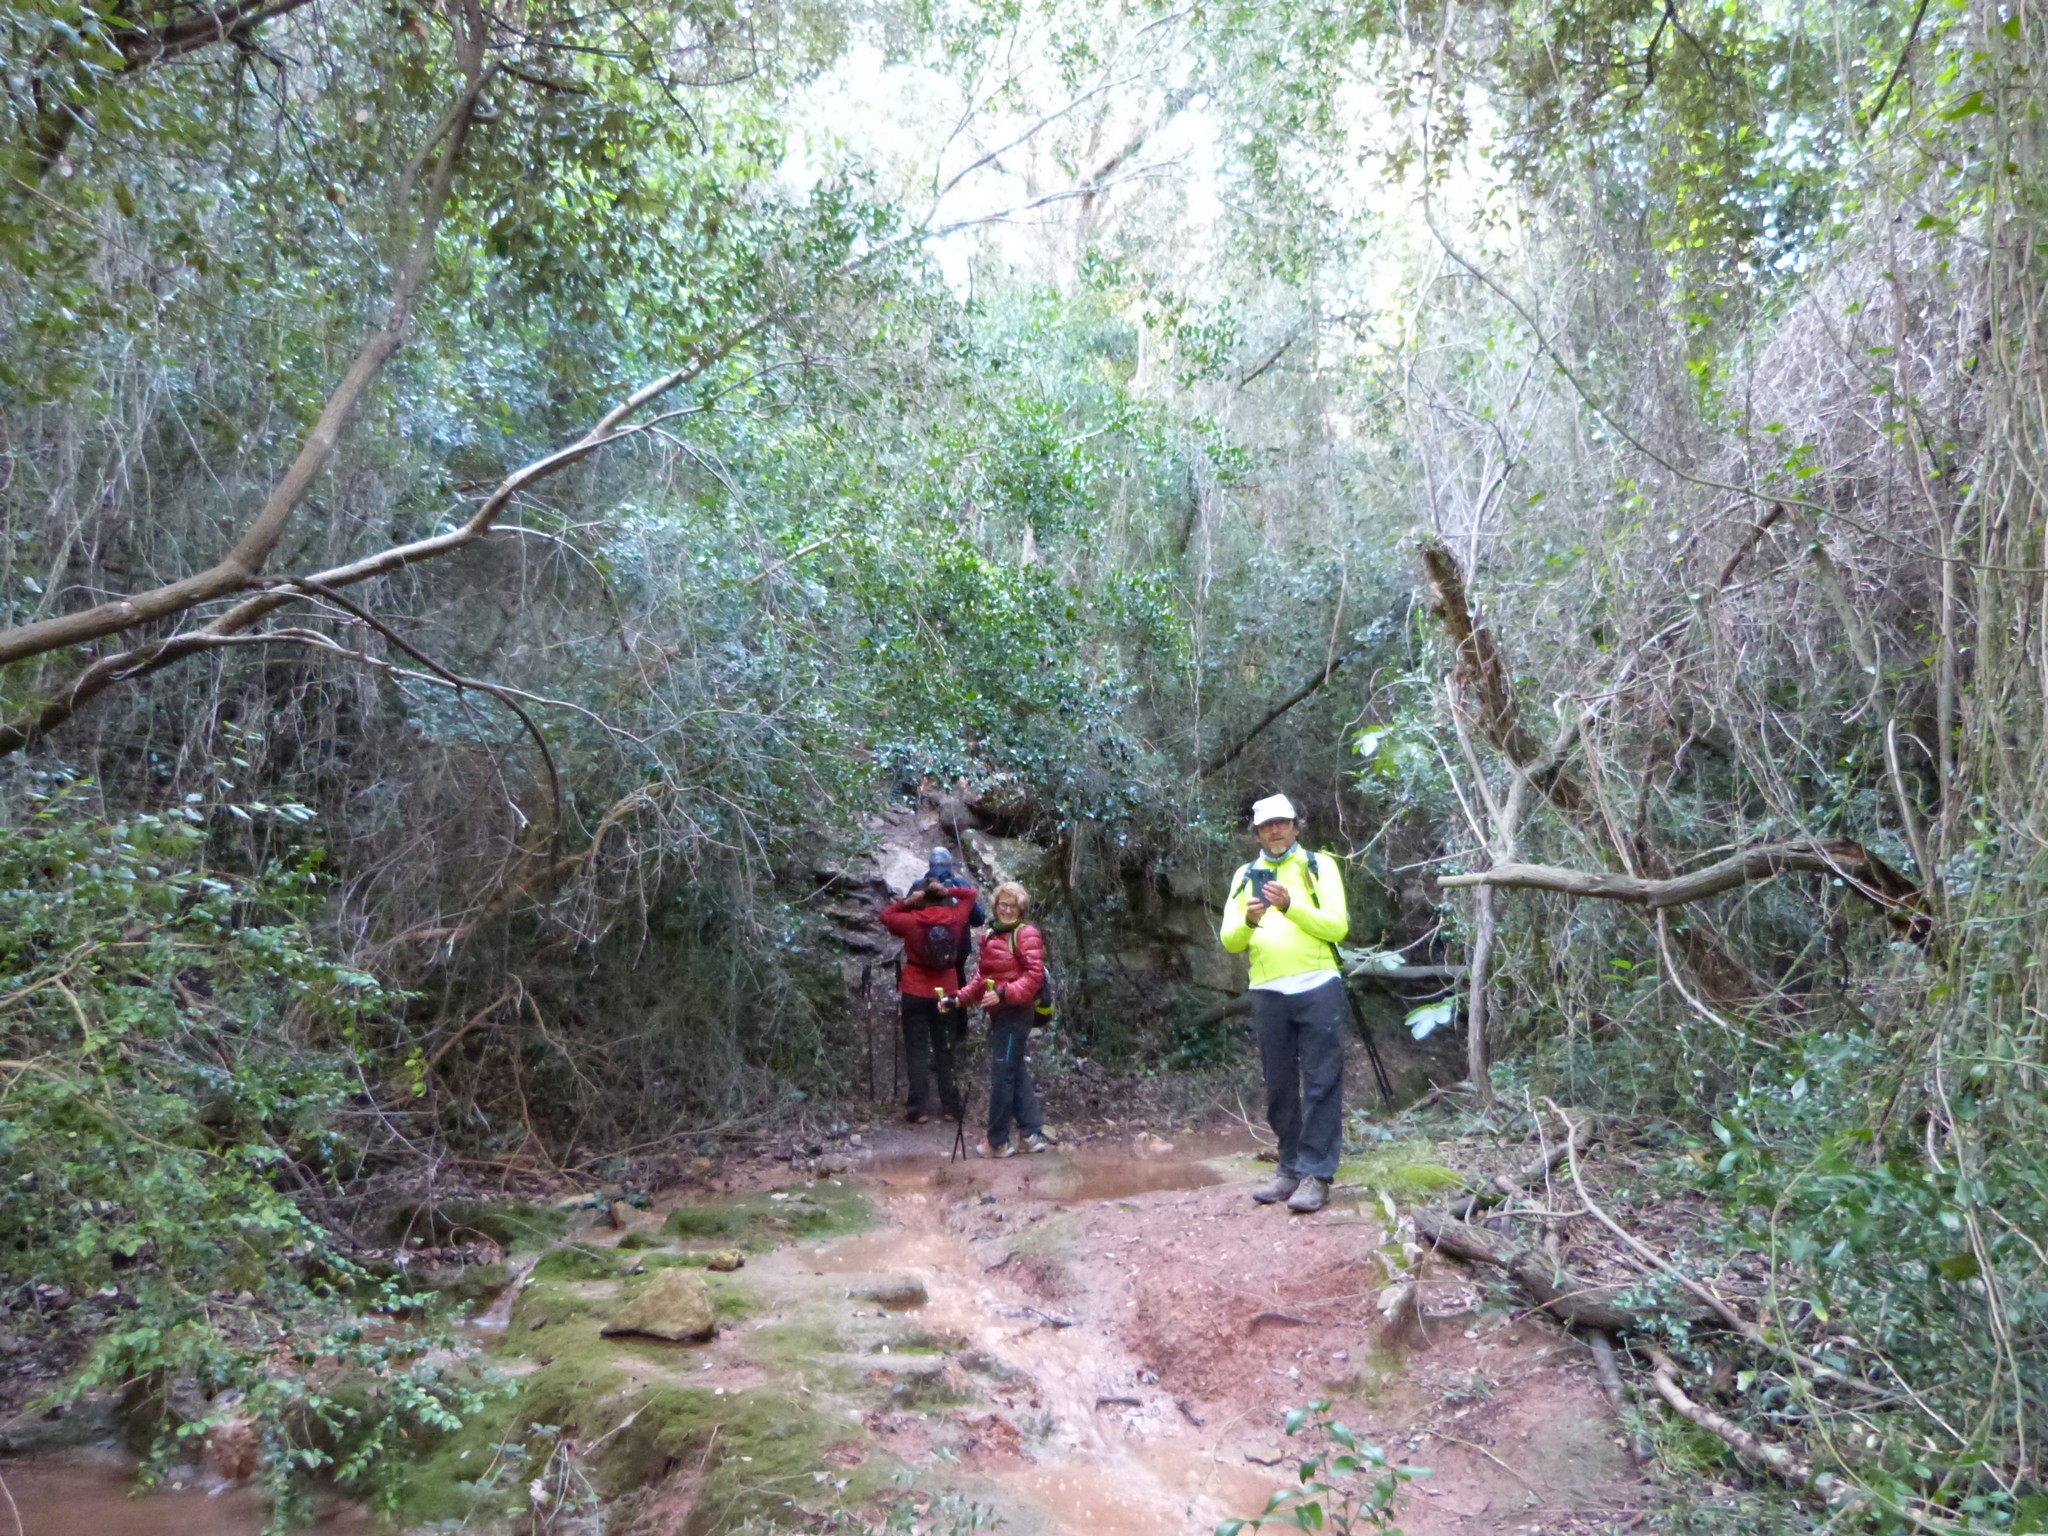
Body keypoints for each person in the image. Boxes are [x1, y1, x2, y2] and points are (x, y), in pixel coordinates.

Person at [1218, 794, 1350, 1214]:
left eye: (1281, 823)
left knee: (1321, 1082)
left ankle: (1316, 1175)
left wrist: (1290, 906)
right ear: (1256, 833)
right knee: (1279, 1086)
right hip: (1268, 991)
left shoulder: (1318, 865)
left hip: (1318, 985)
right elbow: (1230, 940)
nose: (1274, 831)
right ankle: (1289, 1169)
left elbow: (1338, 927)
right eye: (1266, 825)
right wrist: (1251, 919)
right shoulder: (1245, 876)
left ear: (1295, 826)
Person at [955, 881, 1053, 1158]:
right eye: (1002, 904)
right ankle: (1030, 1135)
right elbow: (982, 978)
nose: (1006, 910)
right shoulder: (990, 935)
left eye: (1012, 905)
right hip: (1000, 1015)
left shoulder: (1026, 934)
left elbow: (1033, 978)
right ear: (995, 905)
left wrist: (1002, 994)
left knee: (1002, 1075)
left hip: (1016, 1014)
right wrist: (958, 998)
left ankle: (997, 1141)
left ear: (1021, 909)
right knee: (1014, 1070)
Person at [879, 873, 979, 1124]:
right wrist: (950, 891)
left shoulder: (911, 921)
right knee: (945, 1048)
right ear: (943, 898)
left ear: (922, 898)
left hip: (914, 991)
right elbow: (971, 896)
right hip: (946, 991)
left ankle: (918, 1108)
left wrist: (908, 901)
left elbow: (885, 917)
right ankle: (951, 1107)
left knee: (917, 1048)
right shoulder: (955, 919)